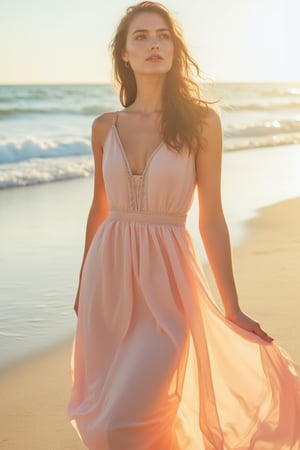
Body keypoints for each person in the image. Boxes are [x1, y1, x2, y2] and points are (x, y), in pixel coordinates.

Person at [68, 2, 300, 449]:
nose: (154, 44)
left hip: (168, 285)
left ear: (175, 49)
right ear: (124, 55)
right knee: (127, 419)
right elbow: (99, 211)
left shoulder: (200, 124)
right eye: (141, 36)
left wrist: (231, 306)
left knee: (124, 421)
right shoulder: (103, 128)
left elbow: (211, 217)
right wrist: (83, 284)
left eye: (163, 35)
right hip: (108, 284)